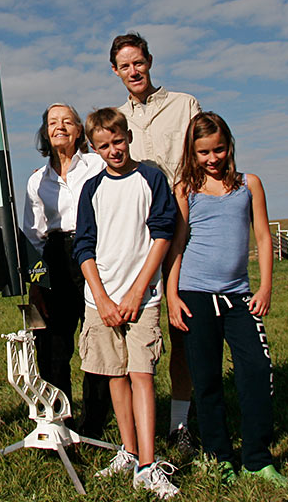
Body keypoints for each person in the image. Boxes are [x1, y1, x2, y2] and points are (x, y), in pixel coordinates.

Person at [165, 112, 288, 487]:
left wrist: (265, 288)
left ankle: (257, 459)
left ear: (229, 145)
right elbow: (177, 244)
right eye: (203, 152)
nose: (212, 158)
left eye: (218, 149)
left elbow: (263, 237)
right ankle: (219, 456)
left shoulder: (249, 184)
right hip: (195, 295)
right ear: (192, 152)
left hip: (239, 296)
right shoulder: (185, 189)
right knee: (206, 379)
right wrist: (172, 294)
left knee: (257, 371)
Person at [73, 108, 179, 499]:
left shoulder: (151, 178)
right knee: (115, 376)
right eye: (104, 146)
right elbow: (83, 246)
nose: (113, 150)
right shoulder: (92, 188)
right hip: (101, 300)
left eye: (118, 141)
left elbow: (163, 234)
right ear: (93, 148)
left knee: (142, 375)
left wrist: (137, 291)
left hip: (143, 298)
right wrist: (102, 298)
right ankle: (129, 450)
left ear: (128, 137)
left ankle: (148, 466)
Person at [111, 32, 201, 458]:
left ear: (149, 61)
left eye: (138, 62)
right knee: (133, 328)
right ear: (115, 71)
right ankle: (132, 437)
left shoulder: (184, 105)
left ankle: (180, 423)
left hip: (181, 227)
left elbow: (199, 159)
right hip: (134, 236)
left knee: (181, 326)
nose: (134, 71)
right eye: (125, 66)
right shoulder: (116, 119)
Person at [21, 103, 111, 437]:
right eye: (52, 122)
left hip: (95, 251)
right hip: (55, 256)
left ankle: (94, 424)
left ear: (79, 130)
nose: (60, 126)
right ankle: (60, 421)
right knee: (52, 343)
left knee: (98, 338)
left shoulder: (98, 165)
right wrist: (35, 282)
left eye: (67, 121)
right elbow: (33, 234)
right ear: (45, 132)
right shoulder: (37, 180)